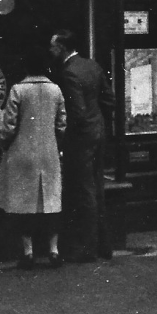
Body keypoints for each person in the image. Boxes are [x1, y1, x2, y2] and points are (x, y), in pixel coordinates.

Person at [0, 50, 66, 269]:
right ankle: (54, 250)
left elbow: (9, 126)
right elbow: (62, 124)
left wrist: (3, 144)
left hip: (22, 154)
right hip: (49, 153)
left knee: (24, 206)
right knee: (51, 203)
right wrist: (56, 143)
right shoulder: (56, 90)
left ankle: (28, 252)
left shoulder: (18, 90)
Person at [49, 29, 115, 262]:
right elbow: (109, 99)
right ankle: (104, 244)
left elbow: (77, 112)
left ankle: (88, 248)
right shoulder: (92, 66)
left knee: (84, 190)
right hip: (98, 133)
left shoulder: (68, 73)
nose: (51, 51)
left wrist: (66, 137)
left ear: (63, 48)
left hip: (81, 138)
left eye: (54, 47)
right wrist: (98, 123)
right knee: (97, 187)